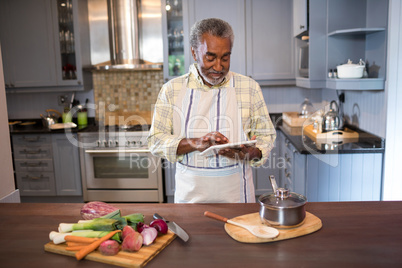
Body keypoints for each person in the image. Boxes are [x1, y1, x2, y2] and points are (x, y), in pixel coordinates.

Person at [147, 18, 276, 203]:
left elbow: (266, 138)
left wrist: (249, 153)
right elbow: (155, 141)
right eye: (210, 57)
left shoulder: (249, 87)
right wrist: (195, 143)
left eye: (225, 57)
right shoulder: (172, 90)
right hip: (190, 196)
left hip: (238, 196)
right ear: (194, 52)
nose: (218, 66)